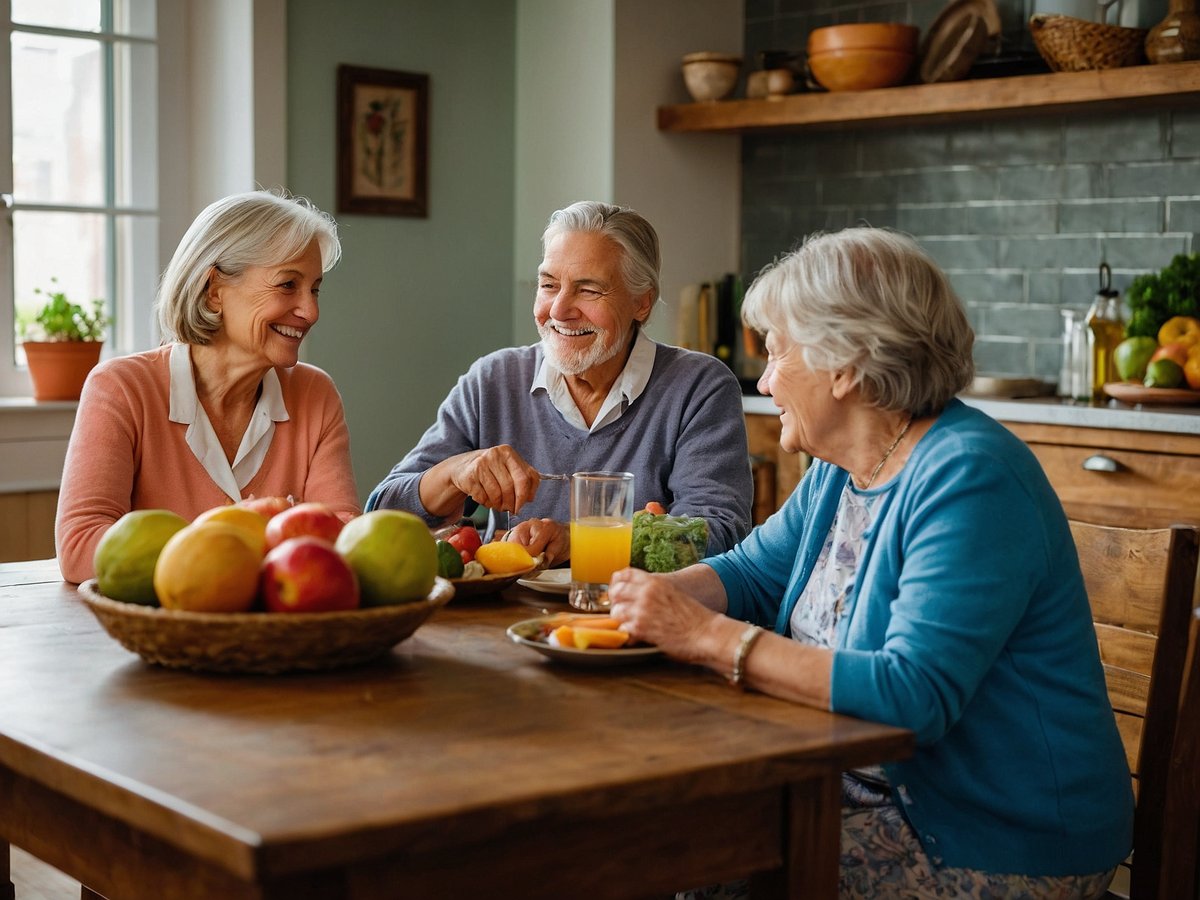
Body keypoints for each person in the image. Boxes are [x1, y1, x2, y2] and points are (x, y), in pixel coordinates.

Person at [608, 227, 1132, 898]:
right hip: (853, 792)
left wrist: (705, 637)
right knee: (660, 846)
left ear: (847, 364)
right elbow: (752, 572)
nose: (765, 382)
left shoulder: (970, 477)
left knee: (688, 869)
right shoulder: (844, 465)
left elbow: (914, 698)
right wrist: (636, 600)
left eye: (776, 354)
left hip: (992, 836)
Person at [366, 200, 753, 566]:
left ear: (641, 303)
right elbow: (381, 515)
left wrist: (578, 540)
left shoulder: (699, 386)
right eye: (549, 285)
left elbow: (720, 531)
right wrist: (453, 472)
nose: (559, 310)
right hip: (500, 622)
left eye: (588, 290)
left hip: (632, 625)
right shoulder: (493, 380)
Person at [56, 189, 359, 582]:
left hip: (283, 637)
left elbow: (345, 537)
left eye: (314, 289)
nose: (310, 311)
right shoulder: (121, 388)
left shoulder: (316, 394)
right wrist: (235, 554)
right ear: (214, 290)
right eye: (287, 285)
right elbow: (81, 547)